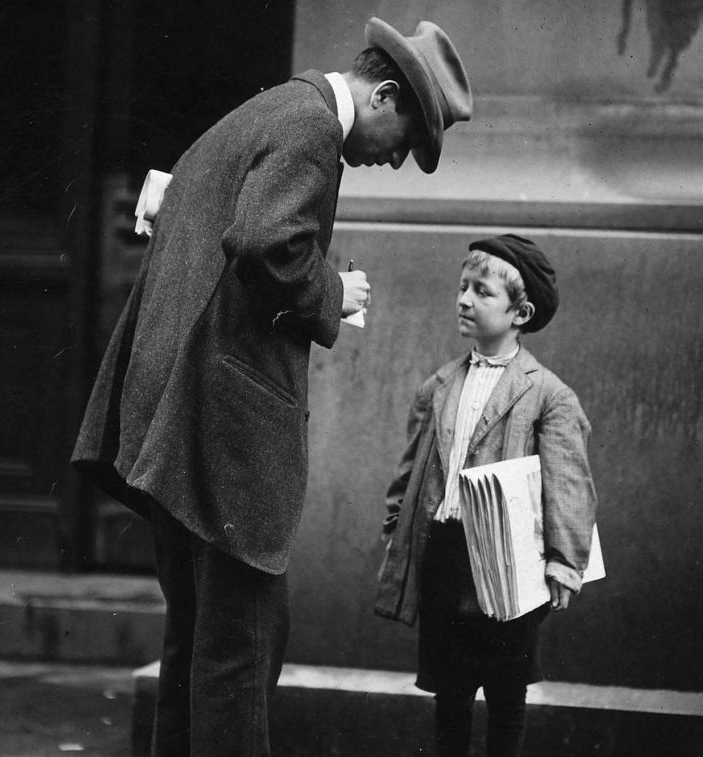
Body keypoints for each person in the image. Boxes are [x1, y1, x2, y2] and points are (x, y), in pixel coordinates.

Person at [70, 17, 472, 757]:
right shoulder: (313, 129)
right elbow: (264, 240)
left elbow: (198, 220)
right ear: (385, 95)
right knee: (240, 656)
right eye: (407, 142)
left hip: (170, 427)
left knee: (195, 646)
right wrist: (331, 291)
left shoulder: (270, 109)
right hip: (223, 441)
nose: (396, 162)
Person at [375, 235, 598, 757]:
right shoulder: (440, 385)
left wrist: (565, 562)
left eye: (482, 292)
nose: (465, 299)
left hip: (508, 564)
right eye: (462, 288)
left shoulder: (546, 394)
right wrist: (398, 527)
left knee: (505, 692)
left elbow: (569, 482)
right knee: (449, 693)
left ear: (521, 312)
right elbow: (411, 467)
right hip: (446, 558)